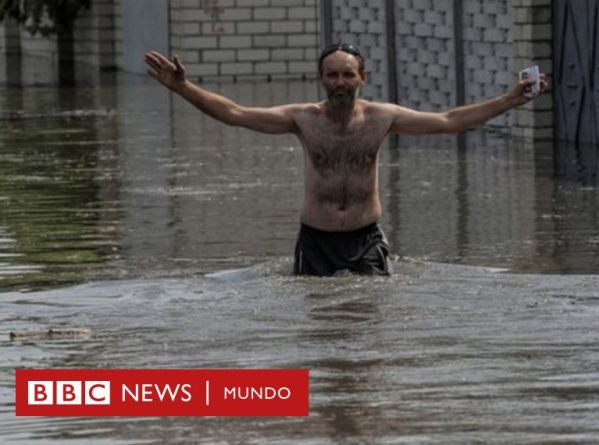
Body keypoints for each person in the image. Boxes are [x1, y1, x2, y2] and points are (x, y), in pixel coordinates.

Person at [145, 43, 549, 277]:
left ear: (362, 78)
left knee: (369, 323)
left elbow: (448, 121)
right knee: (320, 325)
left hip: (366, 240)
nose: (340, 82)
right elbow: (233, 114)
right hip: (315, 242)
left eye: (347, 75)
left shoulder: (382, 118)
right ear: (322, 79)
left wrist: (510, 100)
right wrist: (182, 88)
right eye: (332, 75)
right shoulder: (301, 118)